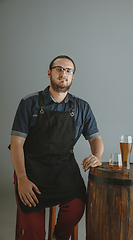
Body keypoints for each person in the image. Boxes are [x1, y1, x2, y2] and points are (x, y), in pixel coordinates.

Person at [10, 55, 104, 240]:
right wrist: (22, 178)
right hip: (31, 172)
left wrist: (97, 155)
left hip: (64, 171)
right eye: (59, 69)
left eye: (69, 70)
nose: (64, 73)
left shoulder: (82, 107)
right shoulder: (29, 103)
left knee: (77, 207)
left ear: (73, 76)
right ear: (49, 73)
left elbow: (96, 139)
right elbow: (16, 143)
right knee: (34, 235)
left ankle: (58, 237)